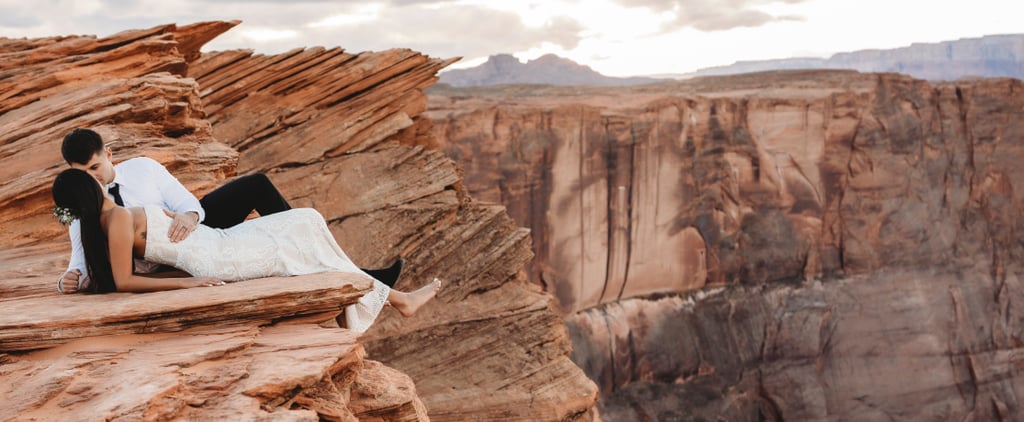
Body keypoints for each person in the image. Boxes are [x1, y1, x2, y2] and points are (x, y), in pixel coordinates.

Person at [51, 168, 440, 333]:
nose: (99, 179)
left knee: (304, 223)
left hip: (214, 243)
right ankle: (397, 299)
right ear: (88, 190)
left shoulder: (109, 220)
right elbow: (123, 281)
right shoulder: (115, 220)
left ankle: (377, 300)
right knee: (302, 227)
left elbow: (129, 267)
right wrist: (189, 285)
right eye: (90, 178)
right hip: (219, 254)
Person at [56, 128, 403, 293]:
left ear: (110, 155)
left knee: (258, 186)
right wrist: (66, 280)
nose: (92, 177)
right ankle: (346, 274)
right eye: (81, 172)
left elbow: (188, 202)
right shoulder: (86, 206)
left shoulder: (144, 168)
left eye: (95, 167)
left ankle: (355, 270)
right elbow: (81, 255)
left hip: (187, 233)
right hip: (156, 261)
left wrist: (188, 217)